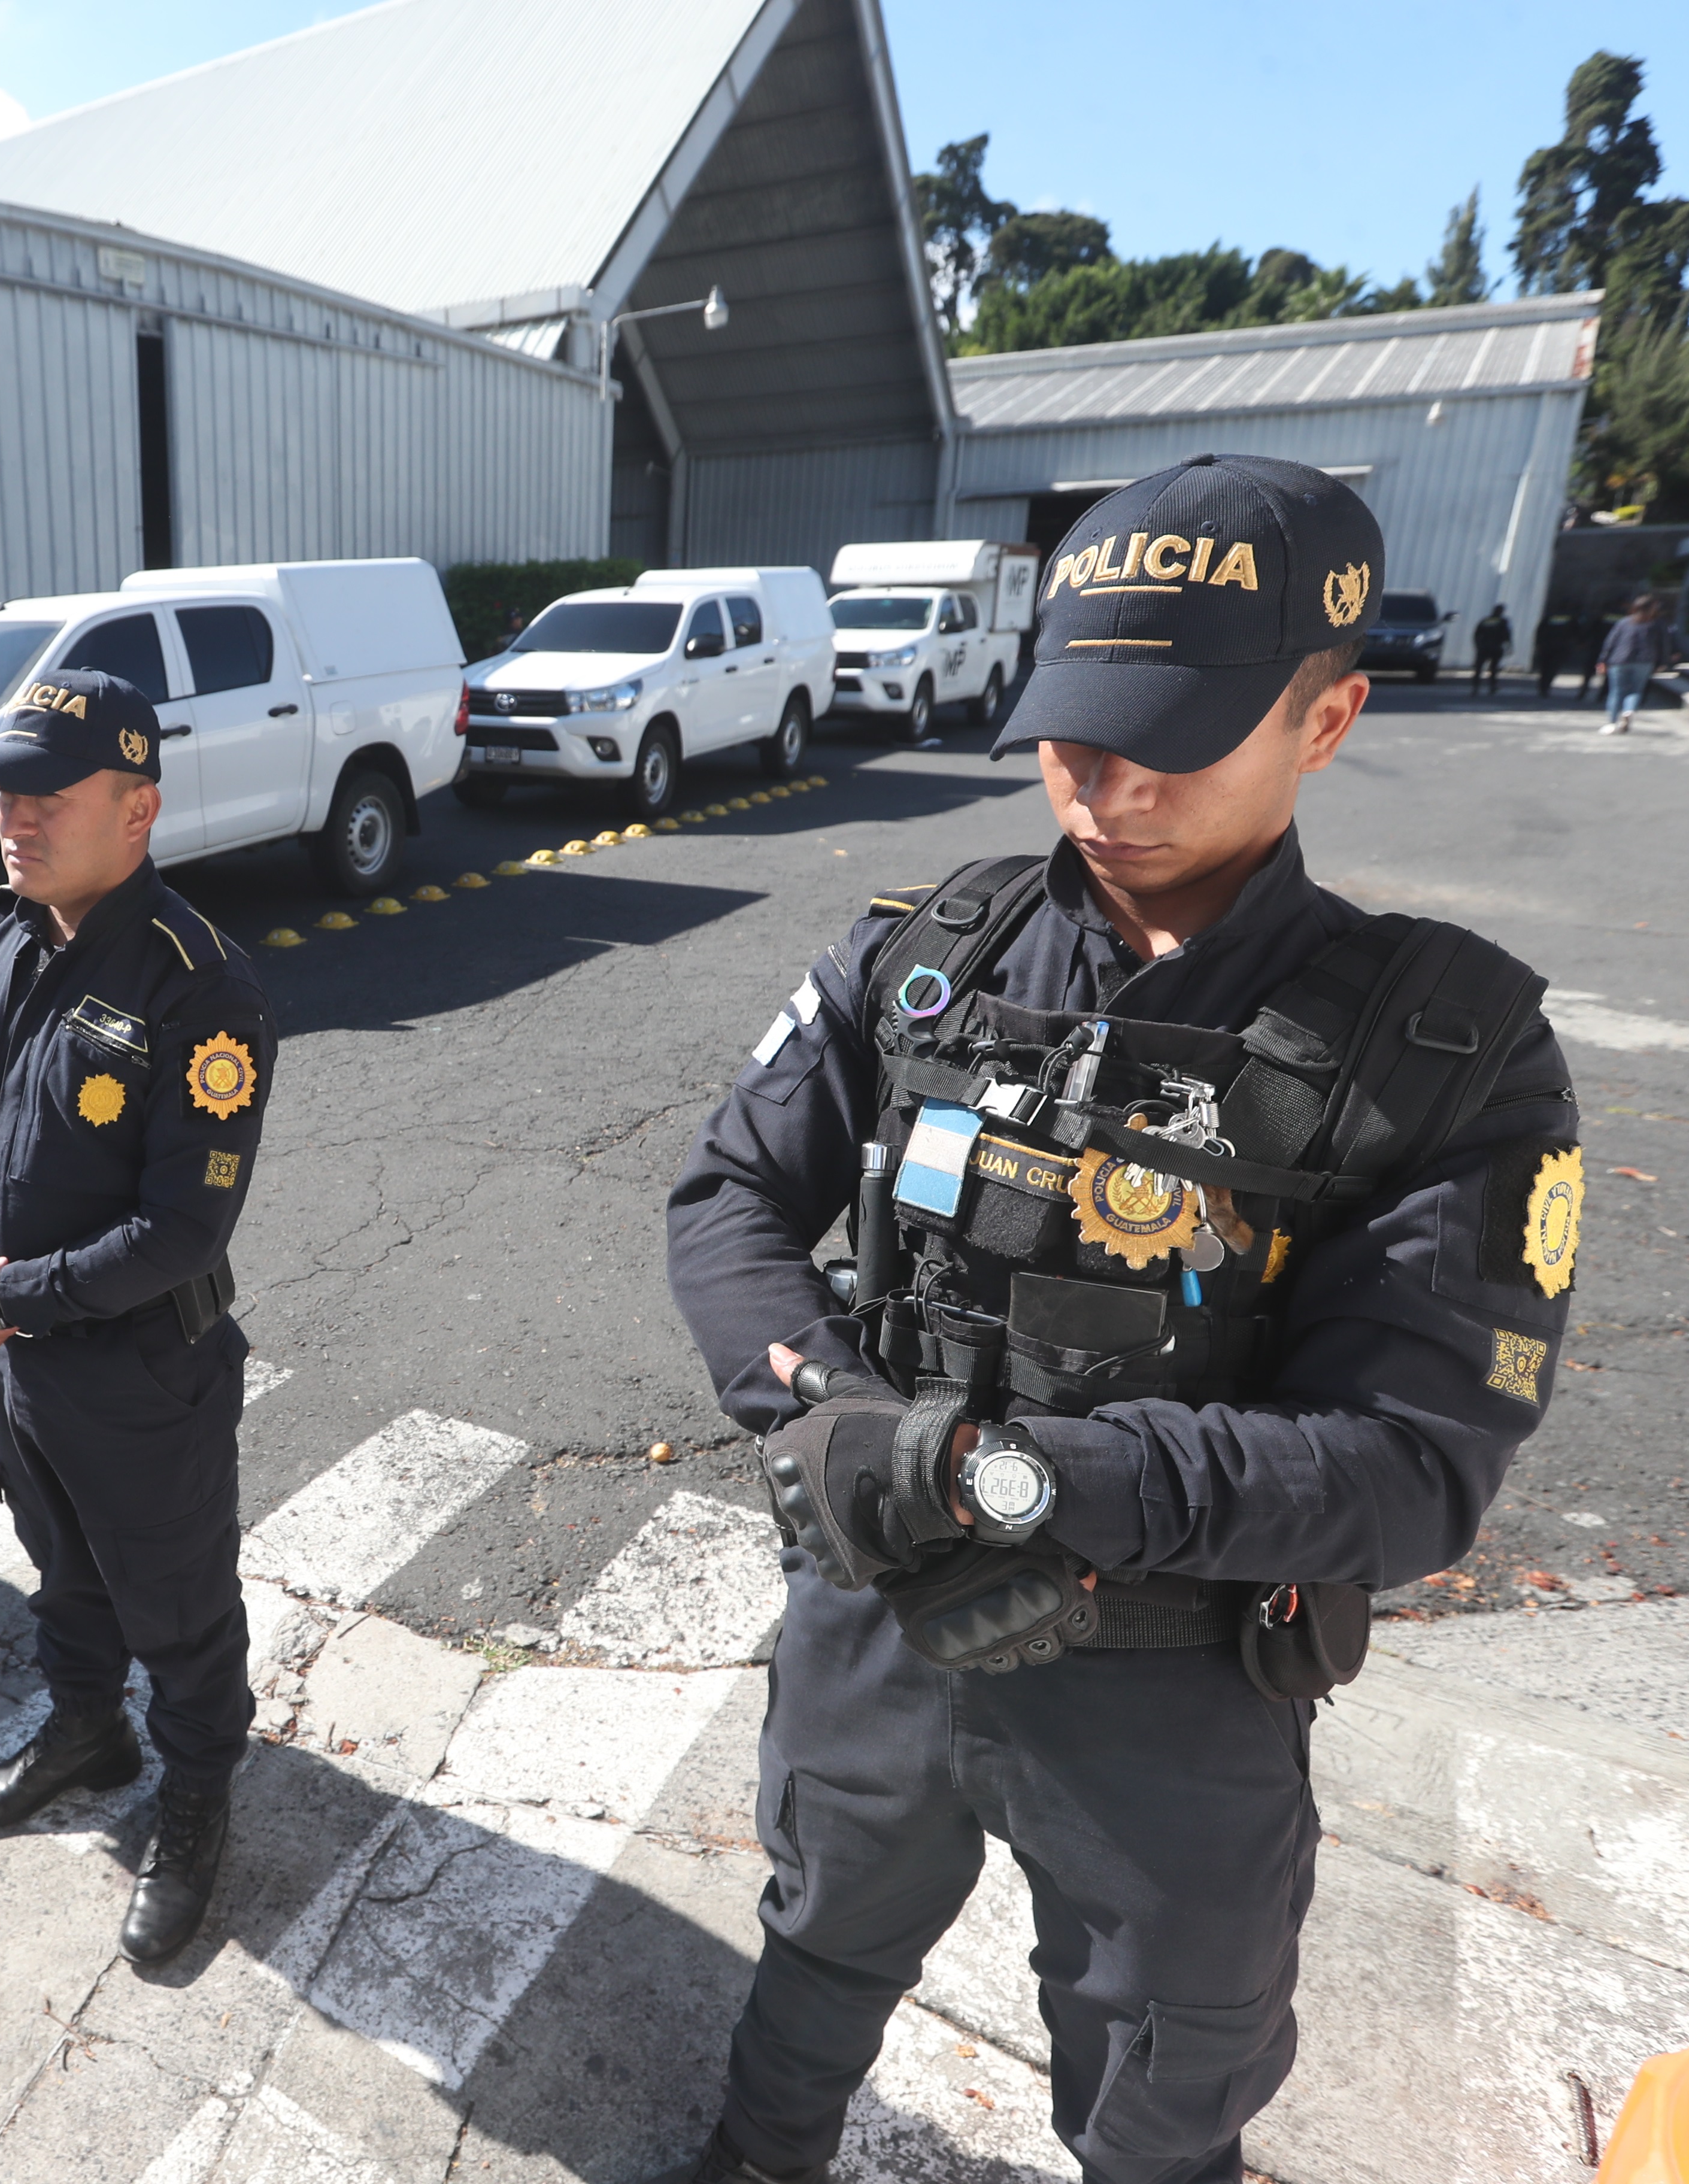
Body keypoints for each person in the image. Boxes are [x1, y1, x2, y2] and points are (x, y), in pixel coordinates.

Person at [654, 455, 1576, 2184]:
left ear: (1331, 719)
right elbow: (730, 1202)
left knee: (1164, 2080)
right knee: (818, 1939)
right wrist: (842, 1422)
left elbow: (1409, 1464)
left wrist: (1001, 1478)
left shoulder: (1442, 1048)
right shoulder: (928, 952)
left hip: (1172, 1684)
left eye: (1173, 727)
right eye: (1075, 723)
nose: (1104, 780)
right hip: (876, 1615)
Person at [0, 668, 277, 1965]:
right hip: (15, 1360)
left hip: (138, 1369)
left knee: (176, 1603)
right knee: (61, 1566)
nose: (18, 815)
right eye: (7, 790)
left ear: (140, 808)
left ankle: (197, 1796)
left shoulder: (195, 983)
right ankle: (85, 1729)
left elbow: (183, 1231)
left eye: (50, 792)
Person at [1598, 594, 1670, 733]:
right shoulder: (1657, 624)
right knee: (1636, 690)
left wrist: (1603, 660)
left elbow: (1611, 642)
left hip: (1619, 660)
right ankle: (1629, 711)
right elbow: (1664, 644)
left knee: (1616, 692)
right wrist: (1663, 662)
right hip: (1645, 661)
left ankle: (1612, 723)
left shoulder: (1624, 622)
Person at [1468, 602, 1511, 696]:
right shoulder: (1503, 622)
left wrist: (1478, 645)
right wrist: (1509, 646)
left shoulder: (1485, 621)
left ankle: (1475, 687)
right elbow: (1507, 635)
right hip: (1496, 648)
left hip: (1484, 647)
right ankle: (1492, 686)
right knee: (1494, 668)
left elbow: (1477, 634)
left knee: (1479, 668)